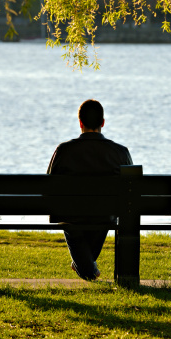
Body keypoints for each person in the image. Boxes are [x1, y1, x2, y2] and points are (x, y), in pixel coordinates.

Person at [47, 99, 133, 280]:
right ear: (102, 123)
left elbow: (49, 188)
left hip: (72, 215)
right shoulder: (120, 152)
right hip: (105, 214)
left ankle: (85, 266)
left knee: (72, 220)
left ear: (80, 123)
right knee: (106, 212)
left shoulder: (64, 150)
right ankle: (85, 265)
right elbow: (131, 192)